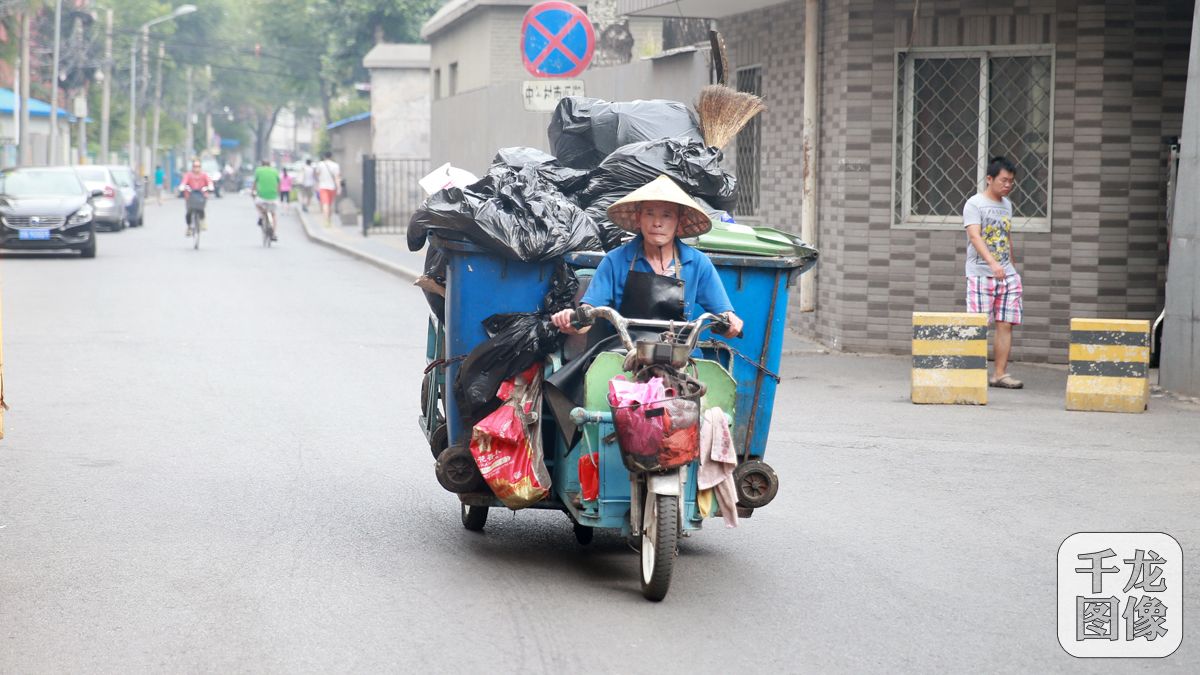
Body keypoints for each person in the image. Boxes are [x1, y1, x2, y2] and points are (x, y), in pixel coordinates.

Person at [964, 156, 1023, 389]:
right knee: (978, 324)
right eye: (1003, 180)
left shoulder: (1007, 205)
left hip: (1007, 273)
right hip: (980, 273)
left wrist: (1011, 264)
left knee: (1005, 323)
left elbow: (1006, 236)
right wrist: (992, 264)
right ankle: (972, 375)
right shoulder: (974, 204)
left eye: (1011, 182)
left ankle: (999, 374)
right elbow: (974, 236)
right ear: (990, 179)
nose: (1008, 185)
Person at [177, 158, 214, 235]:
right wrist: (182, 187)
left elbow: (209, 182)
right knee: (189, 212)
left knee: (201, 209)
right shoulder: (188, 175)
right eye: (195, 166)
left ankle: (202, 220)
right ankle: (189, 227)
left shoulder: (204, 175)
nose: (196, 168)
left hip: (201, 196)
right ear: (192, 167)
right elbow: (184, 182)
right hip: (190, 197)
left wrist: (210, 187)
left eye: (198, 166)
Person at [252, 160, 281, 242]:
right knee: (273, 214)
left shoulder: (258, 170)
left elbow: (255, 183)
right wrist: (277, 193)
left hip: (261, 196)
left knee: (257, 204)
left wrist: (253, 192)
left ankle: (261, 216)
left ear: (262, 165)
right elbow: (279, 184)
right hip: (273, 196)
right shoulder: (275, 171)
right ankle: (274, 233)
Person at [314, 151, 340, 226]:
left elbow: (317, 176)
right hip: (332, 187)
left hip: (323, 187)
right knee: (330, 204)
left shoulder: (320, 164)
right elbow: (337, 177)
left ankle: (326, 221)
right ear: (331, 156)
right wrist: (339, 188)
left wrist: (317, 185)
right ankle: (329, 219)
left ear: (324, 157)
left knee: (325, 204)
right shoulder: (335, 165)